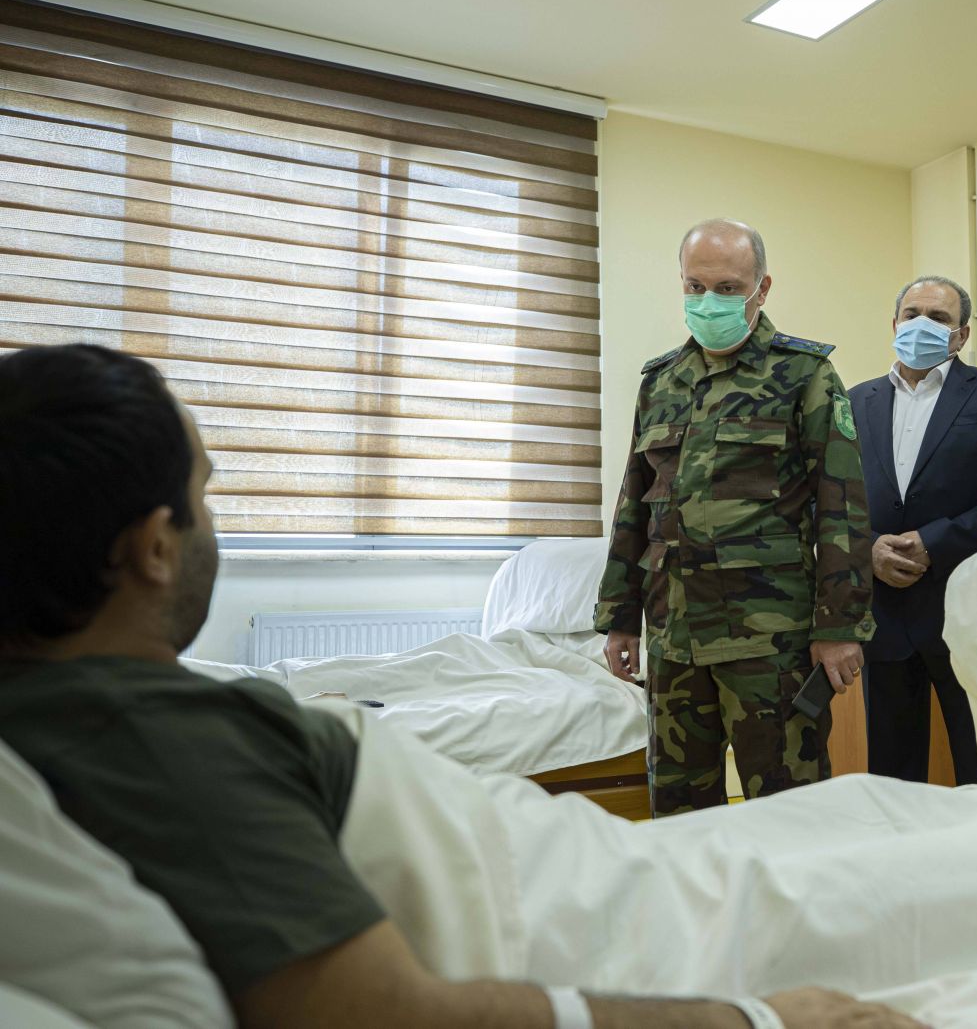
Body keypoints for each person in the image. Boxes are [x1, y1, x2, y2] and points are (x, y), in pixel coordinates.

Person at [0, 343, 919, 1029]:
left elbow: (839, 505)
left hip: (745, 669)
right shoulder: (179, 747)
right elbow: (383, 1007)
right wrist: (758, 1018)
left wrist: (839, 620)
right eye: (204, 495)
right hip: (616, 897)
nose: (213, 521)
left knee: (821, 822)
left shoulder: (71, 719)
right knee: (892, 849)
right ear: (154, 548)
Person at [594, 219, 875, 816]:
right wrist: (619, 617)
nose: (708, 301)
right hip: (674, 636)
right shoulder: (660, 383)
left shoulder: (805, 375)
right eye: (694, 286)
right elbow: (634, 503)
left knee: (789, 812)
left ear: (761, 288)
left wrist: (840, 626)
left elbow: (843, 506)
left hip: (769, 643)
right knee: (678, 813)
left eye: (727, 288)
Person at [848, 276, 977, 786]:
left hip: (966, 607)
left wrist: (935, 541)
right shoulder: (853, 401)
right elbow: (830, 499)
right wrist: (867, 548)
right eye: (912, 314)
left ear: (962, 334)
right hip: (884, 614)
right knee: (892, 774)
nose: (922, 324)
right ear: (894, 324)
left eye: (938, 318)